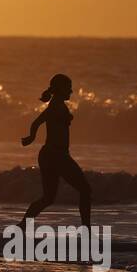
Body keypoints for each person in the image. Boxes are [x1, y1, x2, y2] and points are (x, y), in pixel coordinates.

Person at [19, 73, 91, 226]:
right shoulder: (56, 106)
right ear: (60, 89)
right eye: (69, 88)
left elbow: (37, 122)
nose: (71, 91)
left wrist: (31, 136)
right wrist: (31, 137)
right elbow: (37, 121)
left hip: (48, 155)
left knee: (48, 198)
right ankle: (87, 231)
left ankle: (22, 226)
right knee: (86, 190)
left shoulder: (56, 105)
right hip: (57, 155)